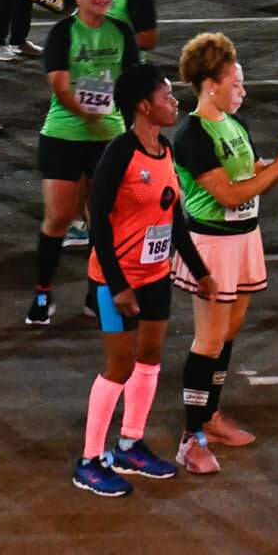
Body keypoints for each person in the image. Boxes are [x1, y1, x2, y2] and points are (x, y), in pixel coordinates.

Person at [68, 63, 213, 496]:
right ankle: (89, 460)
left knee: (149, 358)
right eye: (167, 97)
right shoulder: (120, 153)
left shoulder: (164, 150)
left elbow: (173, 218)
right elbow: (98, 221)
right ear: (144, 106)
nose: (175, 103)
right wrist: (117, 285)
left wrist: (199, 269)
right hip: (116, 280)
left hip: (155, 276)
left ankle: (130, 443)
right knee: (119, 366)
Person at [170, 34, 278, 473]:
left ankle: (210, 417)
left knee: (228, 333)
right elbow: (230, 195)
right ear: (210, 85)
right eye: (236, 84)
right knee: (209, 339)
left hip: (244, 239)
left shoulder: (235, 124)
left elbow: (248, 172)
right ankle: (190, 437)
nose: (243, 91)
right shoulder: (193, 135)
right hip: (213, 245)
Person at [27, 0, 142, 328]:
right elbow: (60, 86)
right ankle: (42, 293)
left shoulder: (121, 32)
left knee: (102, 222)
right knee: (58, 218)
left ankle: (97, 293)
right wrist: (86, 112)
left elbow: (133, 82)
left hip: (108, 139)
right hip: (64, 136)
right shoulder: (63, 33)